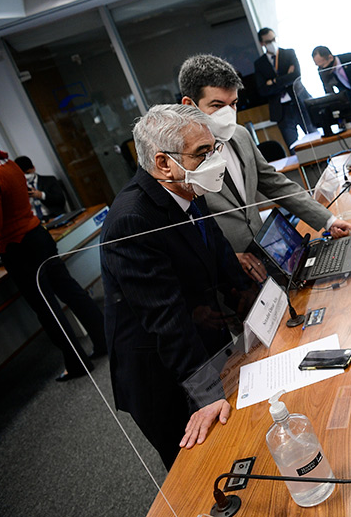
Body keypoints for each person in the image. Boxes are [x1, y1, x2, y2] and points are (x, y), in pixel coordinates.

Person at [100, 104, 254, 469]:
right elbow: (165, 319)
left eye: (214, 149)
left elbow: (219, 254)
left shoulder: (188, 188)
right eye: (202, 153)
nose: (214, 160)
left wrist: (257, 304)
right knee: (199, 467)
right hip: (159, 372)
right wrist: (207, 393)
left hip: (202, 336)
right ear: (163, 163)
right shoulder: (131, 219)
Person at [179, 54, 351, 283]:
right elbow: (183, 232)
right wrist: (228, 257)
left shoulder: (240, 135)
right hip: (224, 276)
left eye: (233, 104)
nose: (228, 113)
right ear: (189, 105)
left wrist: (328, 220)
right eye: (217, 105)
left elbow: (275, 184)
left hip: (266, 258)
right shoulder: (177, 160)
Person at [0, 143, 106, 382]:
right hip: (37, 236)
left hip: (17, 246)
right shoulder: (8, 164)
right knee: (71, 291)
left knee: (47, 308)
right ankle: (104, 340)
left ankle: (76, 363)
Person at [253, 28, 313, 148]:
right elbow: (263, 90)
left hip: (299, 102)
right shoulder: (259, 64)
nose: (272, 43)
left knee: (315, 137)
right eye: (268, 41)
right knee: (293, 147)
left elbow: (296, 76)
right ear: (262, 43)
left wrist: (274, 81)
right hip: (281, 110)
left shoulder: (288, 54)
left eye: (274, 39)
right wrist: (286, 79)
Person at [13, 155, 67, 219]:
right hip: (33, 220)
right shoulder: (17, 188)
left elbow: (61, 200)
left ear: (33, 168)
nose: (26, 176)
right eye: (22, 175)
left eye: (27, 173)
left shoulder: (49, 180)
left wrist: (41, 195)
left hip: (53, 216)